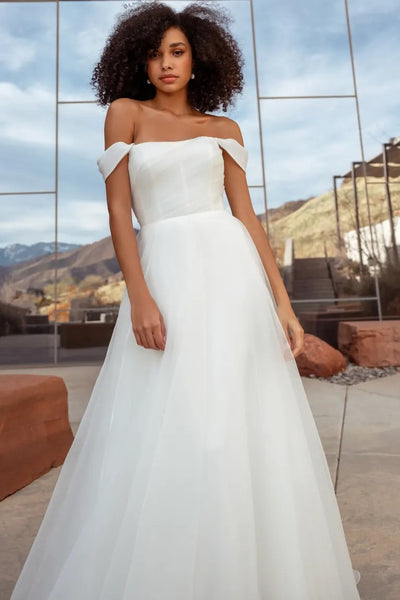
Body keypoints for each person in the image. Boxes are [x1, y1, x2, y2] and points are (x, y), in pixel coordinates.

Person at [10, 2, 361, 598]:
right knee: (173, 423)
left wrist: (281, 303)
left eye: (176, 51)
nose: (166, 63)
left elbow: (246, 217)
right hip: (166, 276)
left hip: (232, 280)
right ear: (139, 61)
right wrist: (139, 297)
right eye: (155, 52)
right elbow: (121, 213)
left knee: (236, 420)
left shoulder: (223, 130)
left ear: (198, 56)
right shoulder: (125, 114)